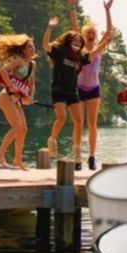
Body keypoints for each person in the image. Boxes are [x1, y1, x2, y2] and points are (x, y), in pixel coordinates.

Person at [67, 0, 116, 169]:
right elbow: (73, 26)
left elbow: (109, 32)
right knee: (78, 123)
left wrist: (108, 10)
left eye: (94, 33)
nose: (92, 34)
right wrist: (72, 6)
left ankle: (92, 156)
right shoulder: (78, 49)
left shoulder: (99, 49)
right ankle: (77, 156)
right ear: (84, 34)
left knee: (92, 123)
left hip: (94, 89)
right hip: (79, 88)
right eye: (89, 32)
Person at [42, 19, 89, 159]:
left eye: (80, 42)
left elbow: (95, 52)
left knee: (79, 120)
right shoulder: (59, 51)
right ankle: (52, 140)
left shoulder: (79, 57)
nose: (78, 43)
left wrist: (106, 40)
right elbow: (45, 45)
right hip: (58, 89)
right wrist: (49, 28)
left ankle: (76, 148)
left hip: (72, 91)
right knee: (62, 117)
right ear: (69, 41)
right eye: (75, 40)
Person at [0, 34, 36, 169]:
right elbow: (3, 70)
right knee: (17, 127)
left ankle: (17, 160)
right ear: (23, 50)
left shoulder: (33, 64)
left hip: (16, 100)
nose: (32, 48)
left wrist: (30, 97)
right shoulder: (18, 60)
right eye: (29, 46)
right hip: (6, 97)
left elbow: (32, 84)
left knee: (23, 129)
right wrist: (10, 85)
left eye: (33, 46)